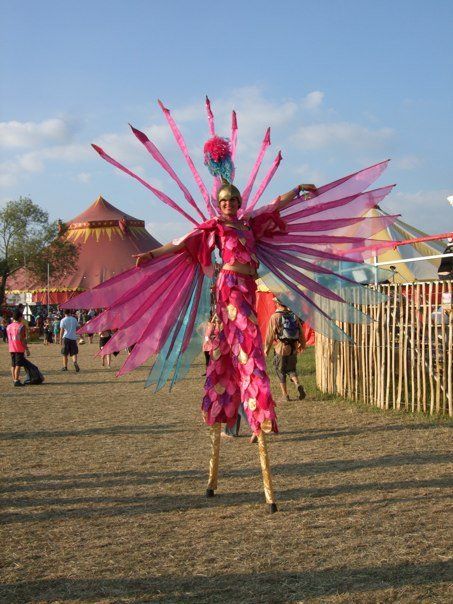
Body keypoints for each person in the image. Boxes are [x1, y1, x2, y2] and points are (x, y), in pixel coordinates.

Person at [265, 299, 306, 402]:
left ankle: (285, 395)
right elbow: (301, 332)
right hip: (293, 347)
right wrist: (302, 344)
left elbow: (269, 335)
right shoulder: (294, 316)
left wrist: (267, 349)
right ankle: (297, 384)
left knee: (280, 371)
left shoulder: (275, 317)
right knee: (291, 369)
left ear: (278, 303)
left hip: (281, 348)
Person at [6, 308, 29, 387]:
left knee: (13, 364)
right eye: (22, 317)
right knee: (18, 365)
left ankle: (14, 379)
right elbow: (23, 339)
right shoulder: (21, 326)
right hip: (19, 348)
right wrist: (26, 348)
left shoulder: (8, 326)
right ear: (19, 317)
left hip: (11, 347)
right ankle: (16, 380)